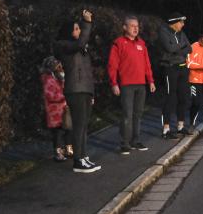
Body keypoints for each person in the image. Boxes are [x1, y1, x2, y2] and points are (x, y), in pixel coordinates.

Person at [54, 10, 100, 173]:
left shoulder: (81, 49)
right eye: (76, 28)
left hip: (84, 89)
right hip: (75, 89)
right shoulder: (63, 45)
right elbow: (79, 44)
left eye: (79, 28)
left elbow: (88, 72)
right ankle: (78, 160)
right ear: (68, 31)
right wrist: (87, 23)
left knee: (84, 125)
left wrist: (91, 93)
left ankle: (83, 156)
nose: (79, 31)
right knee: (79, 126)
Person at [108, 16, 156, 155]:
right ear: (125, 27)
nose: (136, 28)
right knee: (127, 115)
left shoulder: (142, 43)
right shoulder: (118, 43)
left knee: (138, 114)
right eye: (132, 26)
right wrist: (114, 83)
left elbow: (147, 64)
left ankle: (135, 141)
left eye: (137, 26)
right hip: (126, 85)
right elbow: (112, 65)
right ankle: (125, 143)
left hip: (141, 84)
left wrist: (151, 81)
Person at [157, 12, 191, 139]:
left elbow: (189, 48)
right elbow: (169, 48)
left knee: (183, 97)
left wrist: (177, 49)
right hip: (169, 68)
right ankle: (166, 129)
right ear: (175, 22)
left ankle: (180, 126)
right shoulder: (163, 31)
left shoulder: (182, 33)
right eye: (181, 22)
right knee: (170, 97)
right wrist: (180, 48)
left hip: (182, 67)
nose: (183, 24)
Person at [40, 56, 73, 162]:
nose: (60, 67)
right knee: (58, 132)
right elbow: (50, 95)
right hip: (55, 111)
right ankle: (58, 152)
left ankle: (69, 149)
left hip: (63, 109)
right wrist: (64, 96)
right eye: (57, 65)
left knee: (68, 128)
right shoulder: (48, 79)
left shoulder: (58, 77)